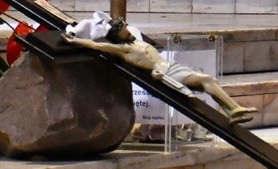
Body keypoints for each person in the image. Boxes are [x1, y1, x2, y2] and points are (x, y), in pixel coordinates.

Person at [63, 13, 257, 125]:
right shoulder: (123, 50)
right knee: (206, 80)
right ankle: (233, 110)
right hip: (166, 75)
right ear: (119, 36)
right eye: (124, 30)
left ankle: (232, 110)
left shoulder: (137, 41)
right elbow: (97, 46)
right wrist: (75, 39)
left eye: (126, 27)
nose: (128, 30)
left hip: (173, 67)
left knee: (208, 80)